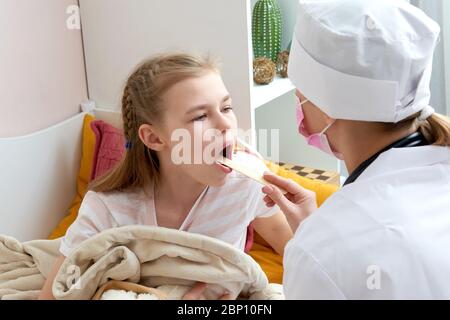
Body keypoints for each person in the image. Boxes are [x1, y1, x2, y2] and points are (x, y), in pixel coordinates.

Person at [38, 53, 293, 299]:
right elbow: (53, 296)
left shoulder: (246, 185)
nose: (226, 125)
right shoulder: (108, 209)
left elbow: (294, 249)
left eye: (226, 107)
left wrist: (307, 221)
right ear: (154, 138)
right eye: (201, 116)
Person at [261, 0, 450, 299]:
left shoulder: (320, 252)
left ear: (326, 108)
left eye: (299, 92)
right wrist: (318, 231)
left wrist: (318, 242)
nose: (297, 103)